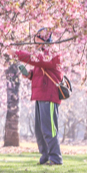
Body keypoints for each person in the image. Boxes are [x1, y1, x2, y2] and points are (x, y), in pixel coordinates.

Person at [10, 28, 63, 166]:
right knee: (39, 130)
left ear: (45, 40)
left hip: (49, 95)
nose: (35, 43)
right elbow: (39, 70)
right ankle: (45, 156)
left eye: (38, 40)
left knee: (49, 129)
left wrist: (17, 53)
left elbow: (38, 61)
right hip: (40, 95)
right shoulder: (42, 56)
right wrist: (29, 75)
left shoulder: (52, 54)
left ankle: (56, 158)